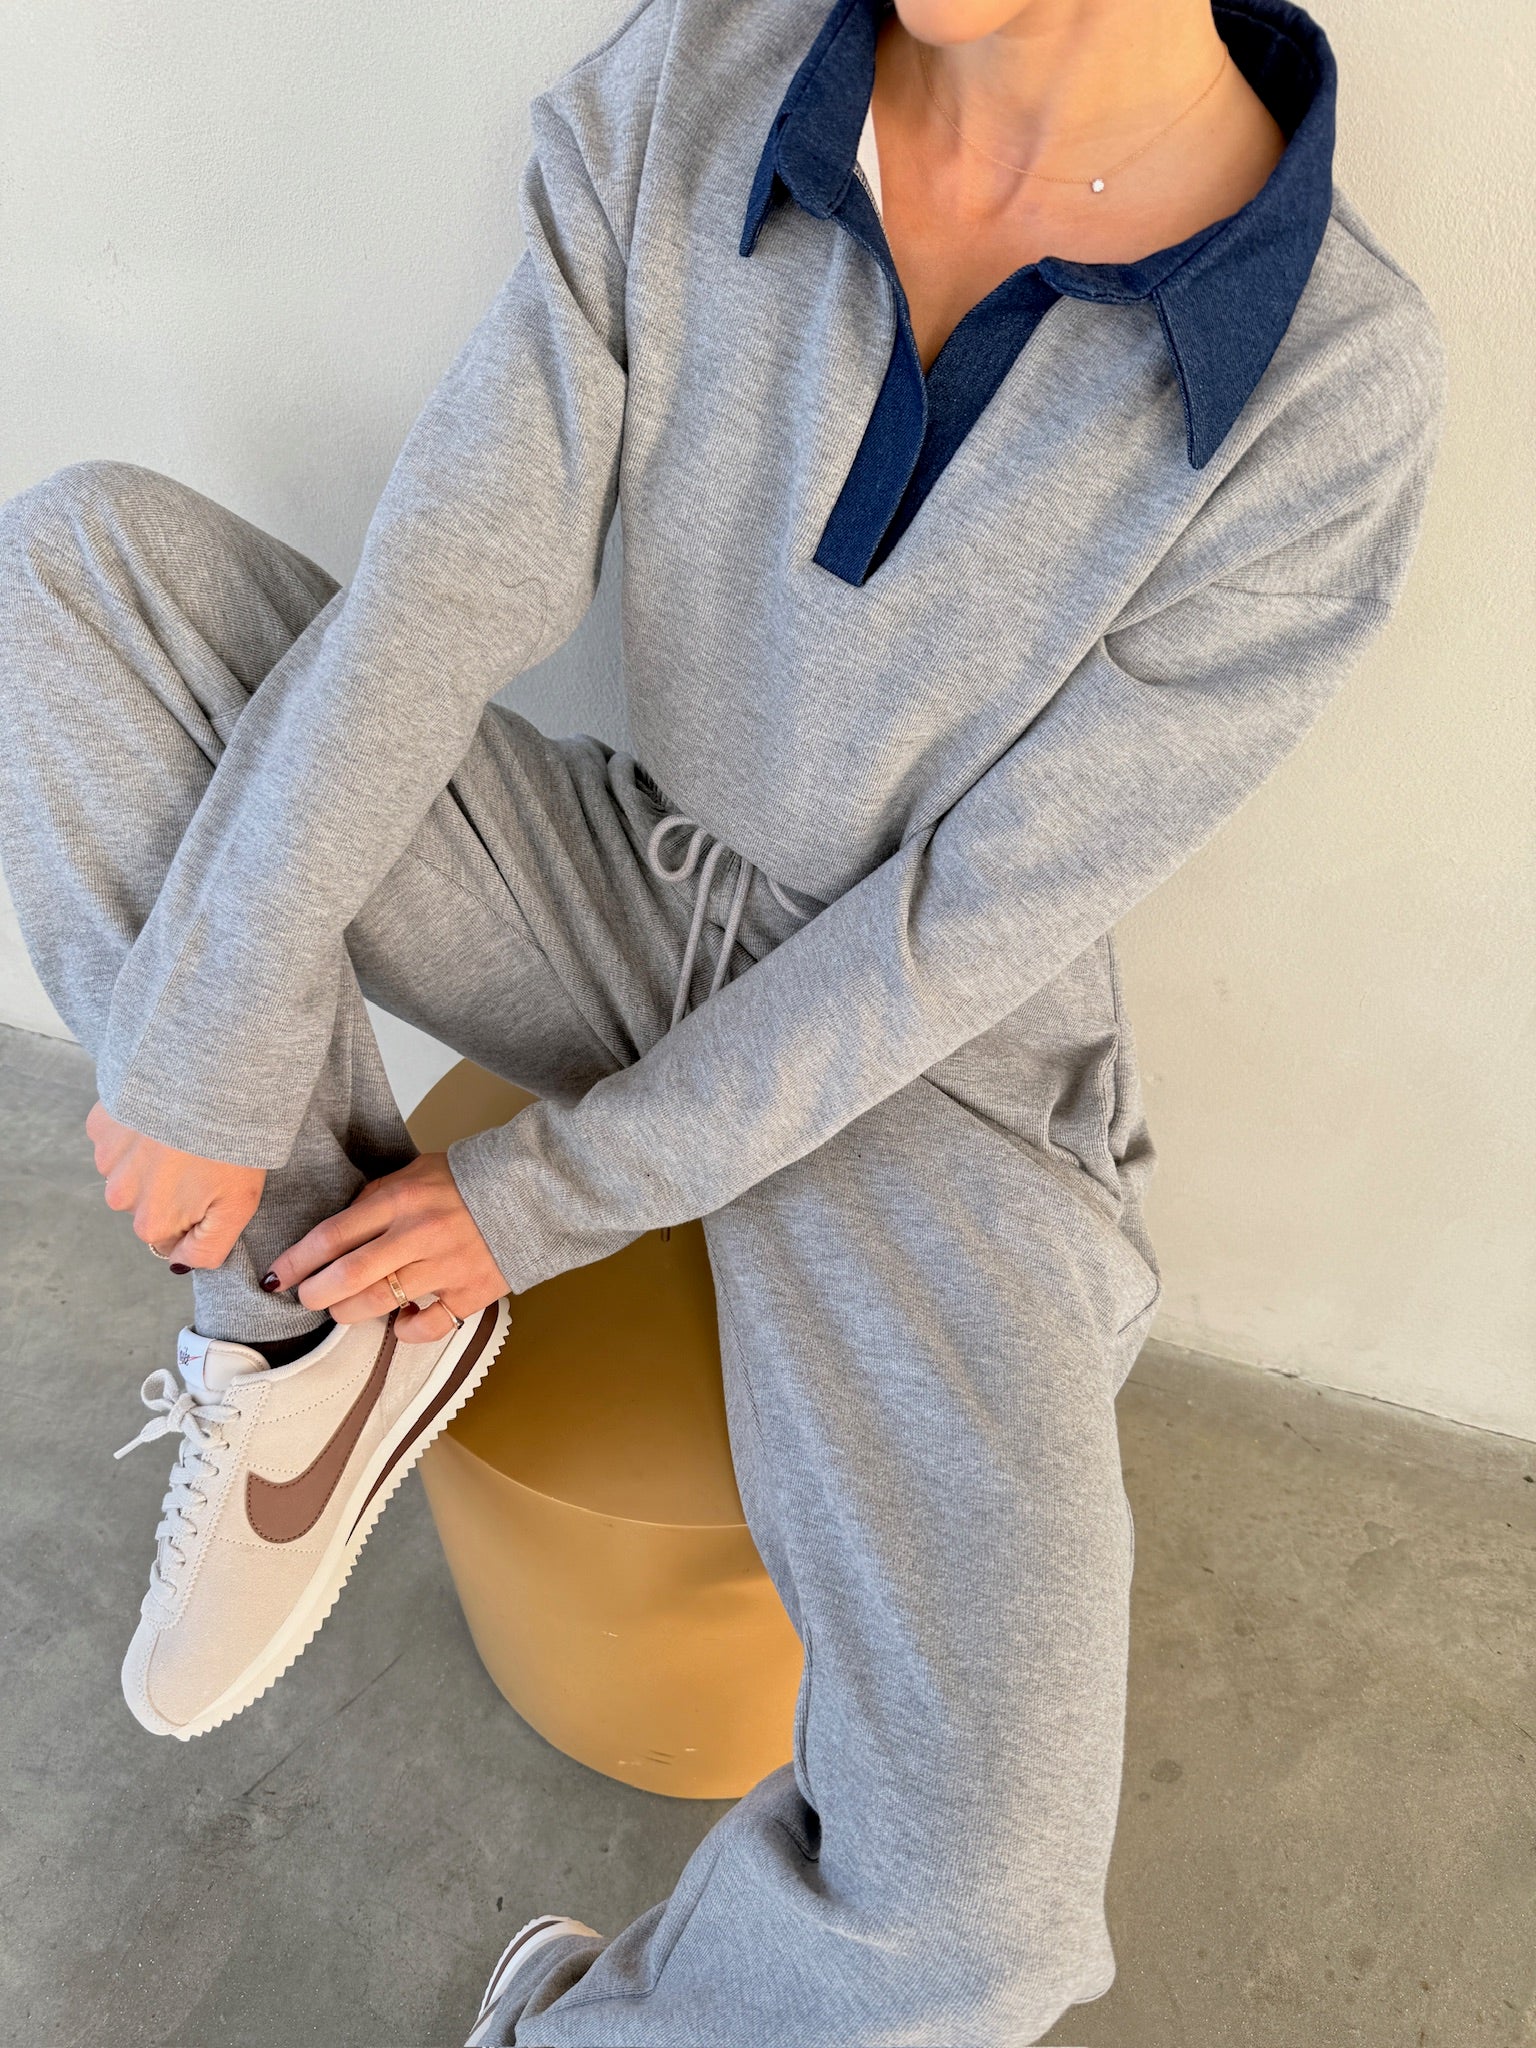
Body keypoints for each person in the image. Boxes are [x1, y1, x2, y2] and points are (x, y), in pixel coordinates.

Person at [0, 0, 1446, 2038]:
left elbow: (948, 936)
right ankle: (312, 1332)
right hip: (634, 884)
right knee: (77, 579)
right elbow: (448, 580)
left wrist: (538, 1198)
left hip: (946, 1078)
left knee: (981, 1909)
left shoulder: (1327, 383)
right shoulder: (715, 67)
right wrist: (214, 1017)